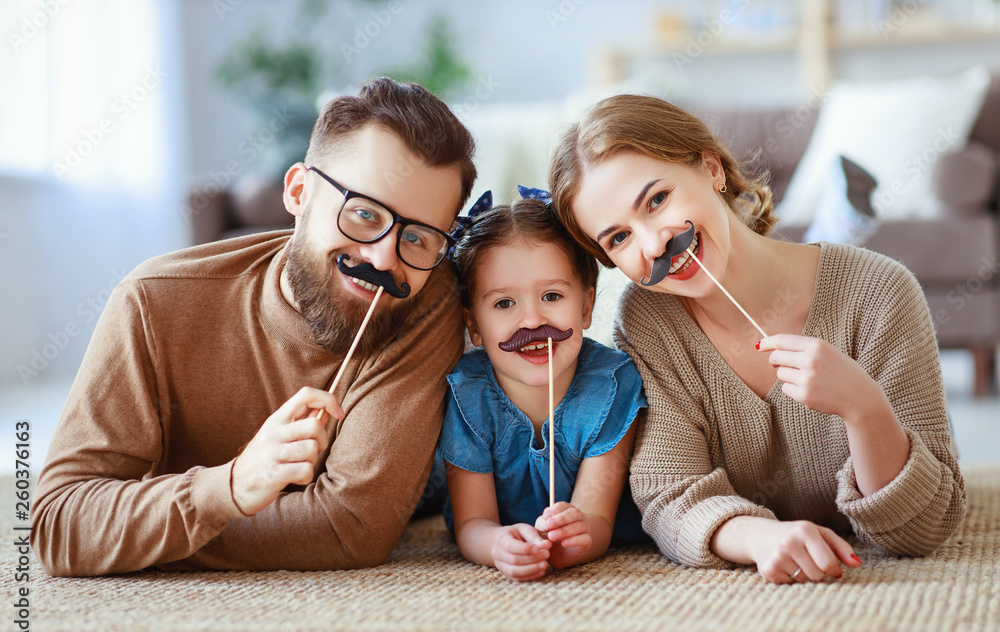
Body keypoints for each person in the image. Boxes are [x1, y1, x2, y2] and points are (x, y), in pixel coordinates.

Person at [31, 78, 477, 575]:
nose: (382, 256)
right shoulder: (151, 303)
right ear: (299, 192)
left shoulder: (426, 296)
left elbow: (352, 528)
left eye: (417, 237)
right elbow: (59, 525)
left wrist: (143, 534)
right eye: (364, 213)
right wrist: (230, 489)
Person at [547, 94, 966, 584]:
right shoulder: (649, 320)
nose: (653, 244)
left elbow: (926, 528)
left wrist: (864, 408)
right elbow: (669, 495)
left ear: (711, 169)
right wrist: (757, 537)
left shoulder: (882, 293)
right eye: (618, 238)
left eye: (657, 200)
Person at [440, 191, 648, 583]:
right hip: (494, 522)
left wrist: (574, 539)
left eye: (551, 296)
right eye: (504, 304)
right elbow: (472, 524)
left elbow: (597, 520)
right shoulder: (467, 394)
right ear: (473, 326)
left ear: (586, 308)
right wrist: (497, 544)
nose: (533, 321)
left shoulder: (612, 384)